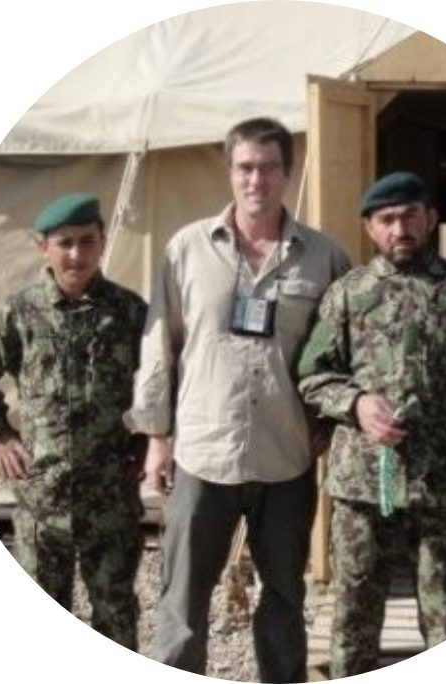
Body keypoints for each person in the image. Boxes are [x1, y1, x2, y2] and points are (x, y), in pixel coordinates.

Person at [124, 117, 350, 682]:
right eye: (246, 167)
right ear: (229, 171)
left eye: (269, 167)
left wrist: (332, 422)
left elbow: (347, 349)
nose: (257, 180)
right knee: (182, 601)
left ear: (286, 172)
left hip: (286, 455)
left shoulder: (324, 257)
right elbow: (160, 344)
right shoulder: (187, 249)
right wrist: (156, 437)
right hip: (203, 452)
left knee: (283, 597)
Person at [297, 171, 446, 678]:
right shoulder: (347, 294)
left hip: (441, 485)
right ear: (369, 228)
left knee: (445, 615)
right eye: (386, 219)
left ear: (429, 219)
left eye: (409, 215)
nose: (399, 227)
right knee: (354, 613)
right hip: (363, 485)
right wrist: (358, 403)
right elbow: (312, 374)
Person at [0, 192, 147, 650]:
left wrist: (149, 441)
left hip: (111, 497)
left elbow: (162, 382)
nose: (76, 254)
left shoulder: (128, 313)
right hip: (43, 496)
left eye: (86, 241)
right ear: (44, 247)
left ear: (101, 243)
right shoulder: (20, 314)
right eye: (65, 243)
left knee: (116, 616)